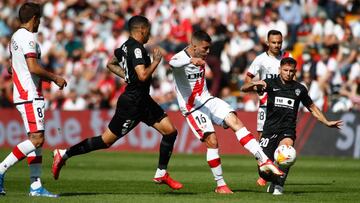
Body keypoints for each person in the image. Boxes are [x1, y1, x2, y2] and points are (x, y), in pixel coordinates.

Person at [52, 15, 183, 190]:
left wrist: (127, 75)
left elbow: (110, 64)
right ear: (141, 30)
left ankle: (161, 173)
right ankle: (64, 153)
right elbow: (143, 75)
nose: (150, 34)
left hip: (143, 100)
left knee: (170, 132)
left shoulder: (124, 47)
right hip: (133, 103)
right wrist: (156, 62)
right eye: (148, 30)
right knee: (105, 141)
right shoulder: (137, 49)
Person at [169, 30, 284, 194]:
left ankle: (263, 160)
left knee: (235, 121)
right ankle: (220, 184)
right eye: (205, 48)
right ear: (194, 46)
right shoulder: (181, 58)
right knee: (212, 142)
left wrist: (199, 59)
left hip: (208, 100)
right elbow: (173, 62)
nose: (208, 51)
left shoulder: (202, 56)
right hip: (192, 108)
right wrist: (191, 60)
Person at [241, 57, 343, 195]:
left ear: (295, 71)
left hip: (287, 130)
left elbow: (312, 107)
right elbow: (244, 88)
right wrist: (255, 83)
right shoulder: (270, 83)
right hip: (269, 130)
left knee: (287, 154)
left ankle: (279, 186)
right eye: (285, 70)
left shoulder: (299, 89)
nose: (288, 73)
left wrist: (326, 122)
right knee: (263, 171)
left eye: (291, 71)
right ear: (279, 70)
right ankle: (272, 180)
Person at [0, 2, 67, 197]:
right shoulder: (28, 37)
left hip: (24, 93)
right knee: (37, 140)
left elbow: (12, 67)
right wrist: (55, 78)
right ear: (35, 19)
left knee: (35, 140)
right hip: (30, 94)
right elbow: (33, 67)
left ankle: (36, 186)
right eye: (40, 20)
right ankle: (1, 169)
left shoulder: (15, 37)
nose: (40, 24)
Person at [244, 30, 291, 187]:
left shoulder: (287, 57)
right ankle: (264, 173)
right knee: (263, 141)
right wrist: (256, 86)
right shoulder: (260, 60)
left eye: (279, 42)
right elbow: (248, 78)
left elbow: (294, 79)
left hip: (283, 107)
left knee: (281, 142)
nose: (277, 45)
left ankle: (274, 173)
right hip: (265, 105)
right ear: (267, 43)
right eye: (274, 42)